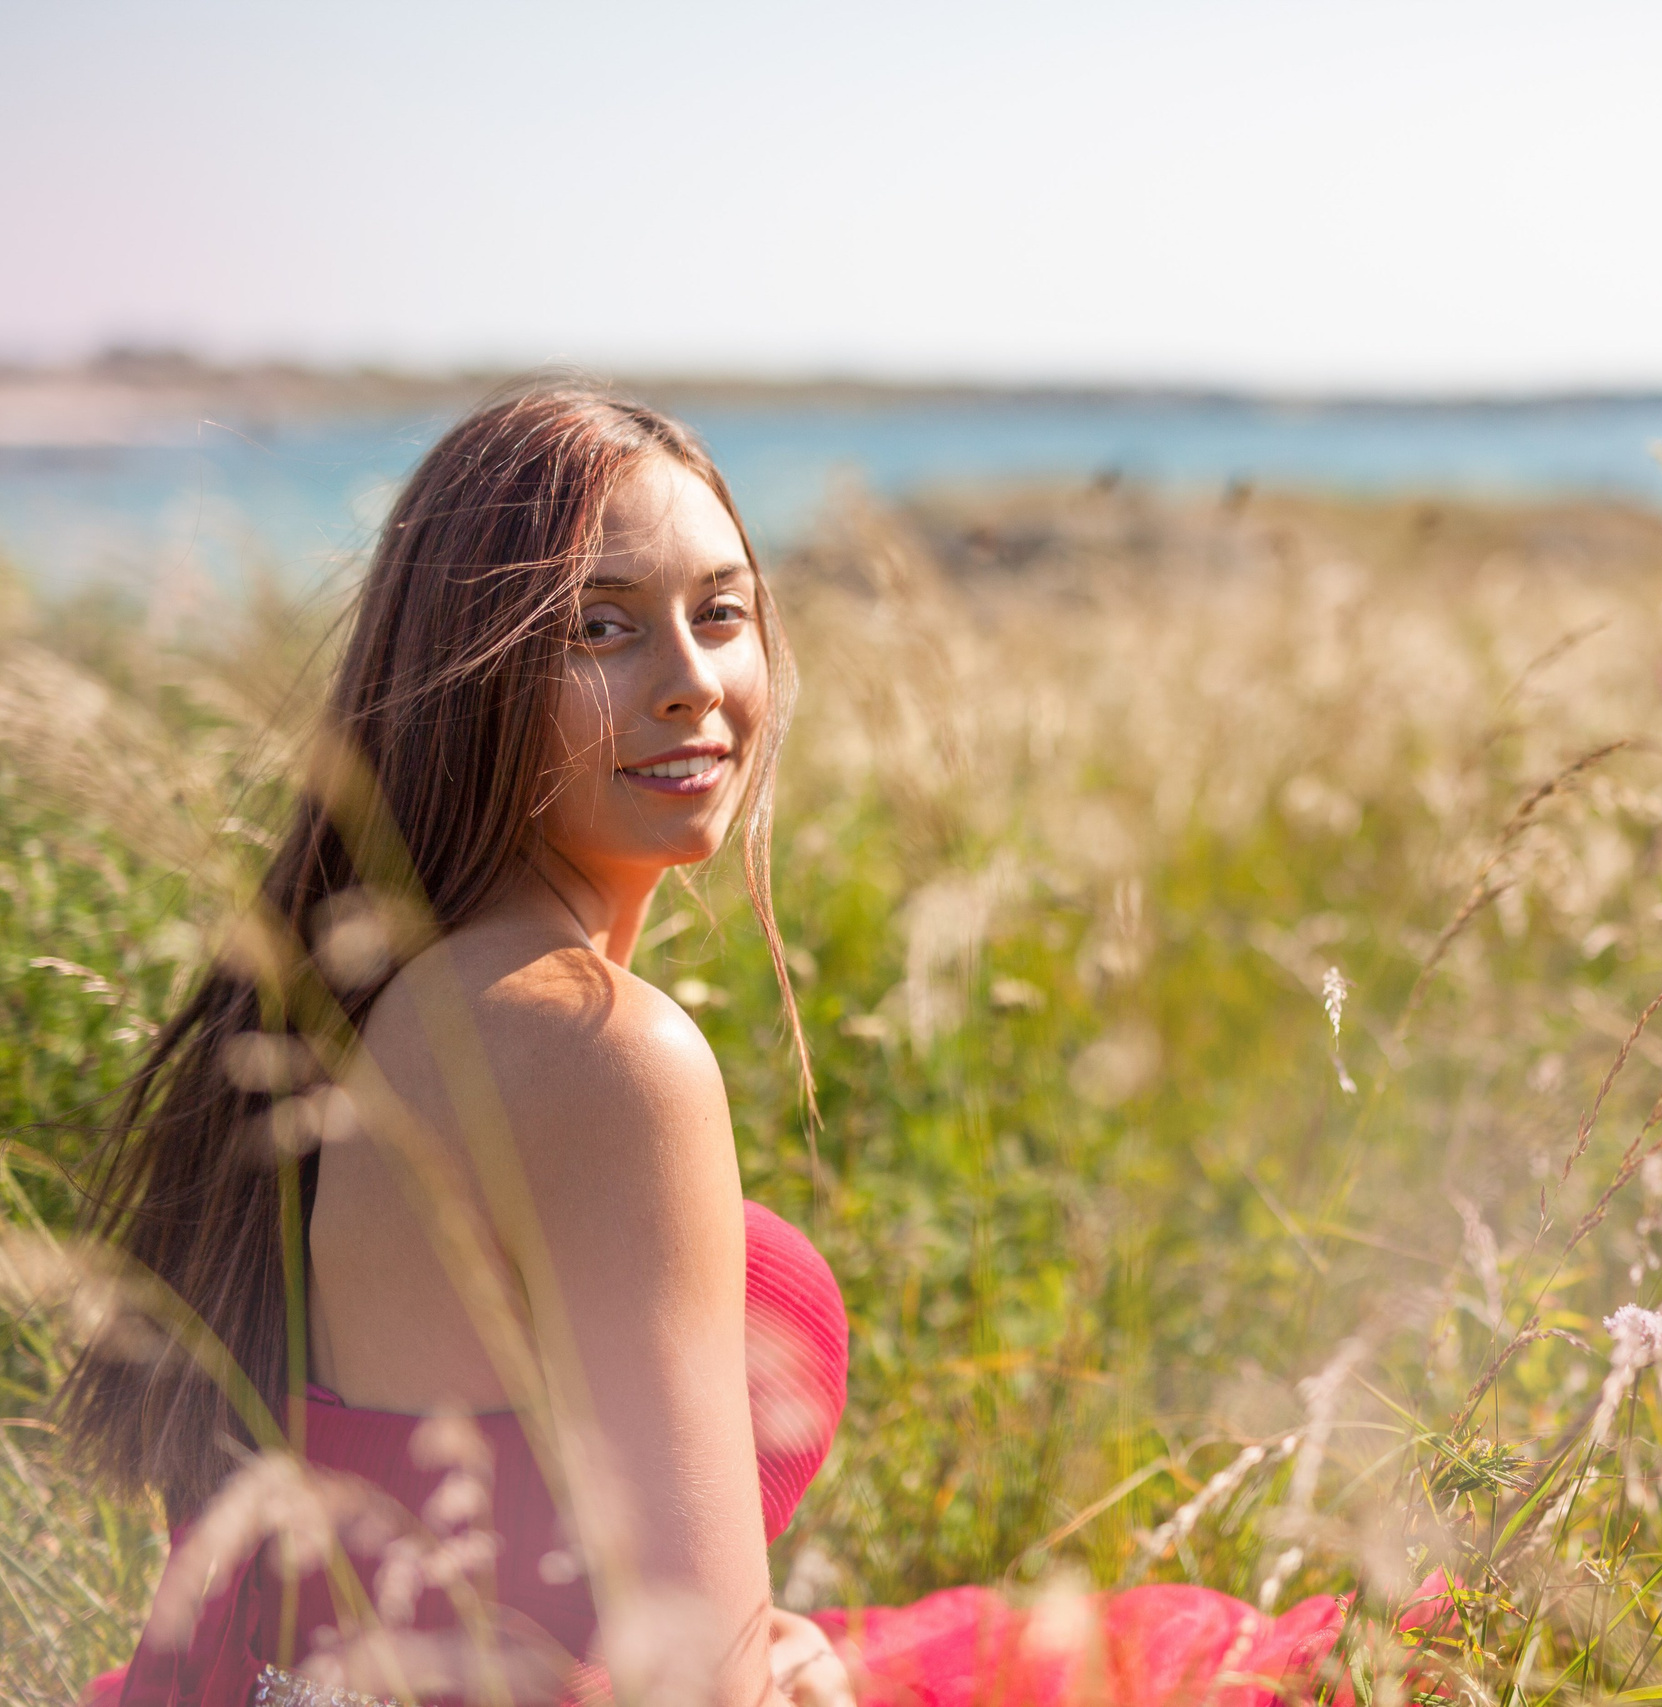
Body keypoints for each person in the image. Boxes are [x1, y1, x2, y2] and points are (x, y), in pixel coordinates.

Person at [60, 385, 1345, 1707]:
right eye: (602, 629)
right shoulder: (600, 1051)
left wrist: (761, 1651)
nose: (691, 684)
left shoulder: (363, 1001)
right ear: (465, 673)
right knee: (1224, 1668)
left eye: (720, 613)